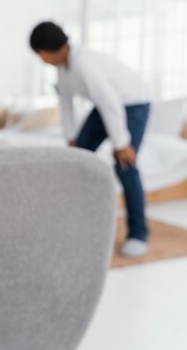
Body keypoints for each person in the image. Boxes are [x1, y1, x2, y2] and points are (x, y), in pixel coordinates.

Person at [29, 21, 152, 258]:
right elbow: (66, 105)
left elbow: (109, 102)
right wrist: (71, 138)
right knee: (78, 158)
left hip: (134, 104)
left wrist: (121, 144)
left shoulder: (84, 65)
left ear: (43, 52)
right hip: (106, 106)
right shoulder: (63, 68)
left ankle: (138, 233)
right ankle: (76, 221)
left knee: (125, 165)